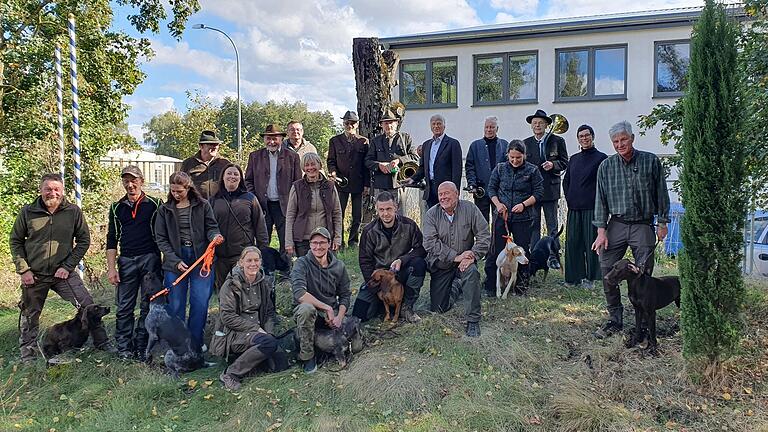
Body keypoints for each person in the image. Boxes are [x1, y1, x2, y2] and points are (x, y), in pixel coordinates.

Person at [11, 173, 113, 363]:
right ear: (41, 190)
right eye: (48, 189)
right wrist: (24, 269)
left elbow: (84, 241)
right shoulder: (28, 212)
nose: (53, 193)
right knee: (29, 315)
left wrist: (67, 266)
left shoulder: (73, 212)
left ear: (62, 191)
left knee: (88, 305)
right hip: (35, 275)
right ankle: (29, 355)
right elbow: (15, 241)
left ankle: (102, 344)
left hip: (63, 273)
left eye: (56, 189)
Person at [591, 120, 670, 339]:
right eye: (615, 141)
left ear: (632, 138)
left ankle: (643, 324)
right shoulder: (606, 166)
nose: (619, 144)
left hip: (643, 224)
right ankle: (615, 320)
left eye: (623, 139)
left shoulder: (650, 161)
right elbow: (600, 200)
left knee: (642, 272)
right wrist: (601, 230)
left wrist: (662, 222)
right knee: (607, 269)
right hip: (616, 223)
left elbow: (661, 193)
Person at [154, 171, 223, 351]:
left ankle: (195, 344)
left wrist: (215, 236)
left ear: (188, 188)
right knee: (176, 304)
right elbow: (161, 239)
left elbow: (212, 227)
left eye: (180, 191)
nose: (176, 194)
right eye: (173, 191)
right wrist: (175, 260)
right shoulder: (164, 210)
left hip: (201, 259)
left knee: (200, 303)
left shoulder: (203, 205)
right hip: (174, 261)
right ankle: (178, 347)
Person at [106, 166, 163, 360]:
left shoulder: (155, 204)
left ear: (141, 181)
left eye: (134, 180)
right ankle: (124, 347)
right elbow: (111, 239)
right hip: (126, 260)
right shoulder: (116, 207)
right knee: (124, 306)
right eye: (126, 181)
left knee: (148, 305)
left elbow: (164, 233)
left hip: (150, 259)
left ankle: (142, 345)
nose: (130, 185)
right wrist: (111, 268)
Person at [422, 182, 490, 337]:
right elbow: (429, 242)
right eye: (440, 194)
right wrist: (455, 257)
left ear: (457, 194)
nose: (443, 197)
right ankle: (457, 286)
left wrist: (472, 255)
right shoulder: (431, 214)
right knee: (438, 308)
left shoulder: (471, 209)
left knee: (472, 273)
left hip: (466, 261)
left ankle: (473, 320)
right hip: (443, 263)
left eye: (447, 193)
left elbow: (484, 236)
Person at [353, 191, 427, 323]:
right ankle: (384, 305)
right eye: (381, 209)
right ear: (377, 209)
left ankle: (406, 306)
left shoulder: (409, 225)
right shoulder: (369, 231)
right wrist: (376, 289)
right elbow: (365, 261)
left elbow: (421, 249)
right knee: (360, 314)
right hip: (379, 278)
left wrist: (402, 259)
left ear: (396, 208)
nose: (385, 213)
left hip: (400, 273)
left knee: (419, 264)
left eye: (388, 209)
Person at [485, 140, 544, 296]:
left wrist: (524, 205)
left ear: (524, 155)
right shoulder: (500, 168)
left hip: (523, 217)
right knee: (496, 249)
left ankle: (521, 285)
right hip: (502, 215)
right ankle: (492, 284)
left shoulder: (532, 170)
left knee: (522, 250)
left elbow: (538, 193)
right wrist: (498, 204)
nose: (515, 161)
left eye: (518, 157)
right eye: (512, 157)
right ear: (507, 155)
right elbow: (491, 188)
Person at [216, 247, 278, 391]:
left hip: (259, 333)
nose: (253, 264)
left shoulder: (263, 283)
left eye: (256, 260)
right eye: (249, 260)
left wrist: (268, 333)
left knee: (280, 364)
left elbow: (269, 311)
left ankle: (251, 362)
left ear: (260, 262)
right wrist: (256, 329)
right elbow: (227, 317)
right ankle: (230, 373)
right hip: (235, 333)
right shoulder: (231, 285)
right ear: (240, 263)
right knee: (269, 345)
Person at [291, 227, 351, 373]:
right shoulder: (301, 263)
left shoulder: (339, 266)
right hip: (310, 312)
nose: (318, 247)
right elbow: (300, 293)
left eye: (322, 242)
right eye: (315, 243)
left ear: (329, 244)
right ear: (310, 244)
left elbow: (345, 295)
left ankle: (321, 344)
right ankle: (307, 356)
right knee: (307, 309)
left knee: (355, 345)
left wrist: (339, 317)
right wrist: (327, 308)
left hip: (331, 316)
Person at [210, 163, 269, 293]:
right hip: (219, 256)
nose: (232, 176)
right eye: (229, 173)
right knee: (224, 291)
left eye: (236, 174)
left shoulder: (250, 199)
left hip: (242, 254)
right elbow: (208, 226)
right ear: (223, 177)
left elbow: (260, 225)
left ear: (240, 178)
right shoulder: (214, 200)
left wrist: (263, 250)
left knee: (243, 290)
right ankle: (225, 313)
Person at [245, 124, 302, 255]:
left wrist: (295, 204)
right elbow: (248, 180)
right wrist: (254, 199)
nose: (271, 142)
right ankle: (263, 269)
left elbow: (298, 183)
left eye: (275, 138)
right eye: (268, 138)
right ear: (264, 139)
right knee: (263, 240)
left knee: (285, 240)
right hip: (262, 204)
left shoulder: (292, 157)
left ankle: (285, 271)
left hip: (285, 205)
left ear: (281, 139)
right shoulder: (255, 156)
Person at [562, 125, 608, 288]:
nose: (584, 138)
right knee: (573, 242)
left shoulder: (602, 158)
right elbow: (566, 181)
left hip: (592, 209)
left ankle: (591, 278)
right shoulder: (573, 159)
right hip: (574, 208)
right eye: (581, 136)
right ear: (578, 140)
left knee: (591, 243)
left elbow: (604, 184)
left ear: (593, 136)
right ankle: (573, 278)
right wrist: (569, 198)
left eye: (587, 135)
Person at [523, 109, 569, 250]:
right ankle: (535, 253)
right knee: (533, 225)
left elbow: (565, 162)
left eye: (541, 123)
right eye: (535, 123)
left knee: (552, 225)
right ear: (531, 125)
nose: (537, 125)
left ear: (546, 125)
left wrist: (553, 165)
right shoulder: (525, 143)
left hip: (551, 189)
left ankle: (554, 252)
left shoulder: (558, 141)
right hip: (533, 192)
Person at [285, 152, 343, 257]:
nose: (310, 168)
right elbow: (290, 215)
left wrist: (337, 238)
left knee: (326, 271)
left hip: (325, 238)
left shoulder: (330, 186)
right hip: (303, 240)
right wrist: (289, 242)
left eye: (313, 164)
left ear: (319, 165)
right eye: (307, 165)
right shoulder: (297, 187)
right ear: (303, 168)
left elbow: (337, 213)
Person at [327, 110, 370, 247]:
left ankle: (353, 241)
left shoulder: (364, 142)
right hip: (341, 183)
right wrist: (333, 172)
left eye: (352, 123)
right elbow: (331, 161)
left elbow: (366, 165)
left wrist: (367, 185)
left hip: (358, 183)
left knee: (357, 215)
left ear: (357, 125)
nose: (349, 125)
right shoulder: (334, 141)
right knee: (339, 214)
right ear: (343, 124)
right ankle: (339, 241)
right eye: (347, 123)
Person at [364, 109, 420, 211]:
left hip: (399, 184)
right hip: (380, 185)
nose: (388, 126)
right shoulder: (376, 141)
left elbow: (415, 156)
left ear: (396, 123)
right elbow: (367, 161)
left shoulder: (405, 138)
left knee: (400, 215)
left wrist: (399, 160)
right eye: (386, 123)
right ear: (382, 125)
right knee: (382, 215)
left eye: (391, 123)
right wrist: (379, 165)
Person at [408, 114, 463, 209]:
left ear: (444, 126)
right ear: (430, 127)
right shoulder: (426, 145)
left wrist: (455, 192)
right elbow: (423, 168)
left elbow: (457, 171)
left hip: (447, 191)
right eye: (433, 124)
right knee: (432, 220)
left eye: (439, 124)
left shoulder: (453, 144)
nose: (436, 126)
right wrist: (412, 179)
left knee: (447, 219)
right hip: (430, 190)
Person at [465, 116, 509, 222]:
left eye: (492, 127)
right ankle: (483, 239)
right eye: (487, 127)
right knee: (481, 222)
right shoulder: (475, 146)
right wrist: (472, 184)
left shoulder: (505, 145)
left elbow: (509, 166)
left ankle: (497, 239)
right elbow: (469, 167)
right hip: (481, 190)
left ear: (497, 129)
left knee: (499, 222)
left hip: (500, 191)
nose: (489, 129)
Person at [181, 130, 231, 199]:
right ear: (201, 146)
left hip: (219, 206)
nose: (215, 147)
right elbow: (180, 186)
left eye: (217, 144)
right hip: (197, 206)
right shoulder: (188, 164)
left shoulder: (225, 164)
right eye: (210, 144)